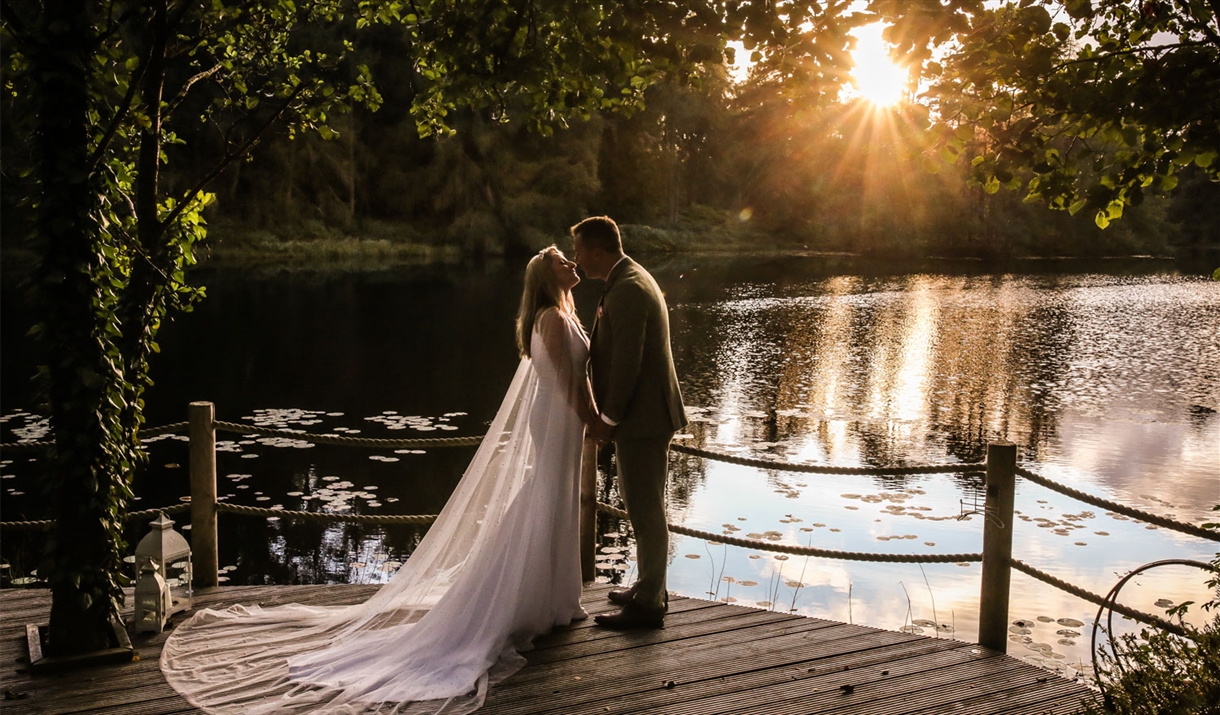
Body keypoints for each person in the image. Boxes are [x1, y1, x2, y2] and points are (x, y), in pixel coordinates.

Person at [160, 247, 601, 715]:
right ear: (545, 276)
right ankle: (525, 598)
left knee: (552, 500)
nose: (572, 264)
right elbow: (568, 380)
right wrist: (596, 420)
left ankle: (555, 599)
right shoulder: (550, 318)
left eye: (572, 260)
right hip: (557, 419)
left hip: (562, 421)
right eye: (561, 262)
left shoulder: (562, 312)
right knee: (545, 498)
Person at [570, 216, 688, 630]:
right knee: (643, 507)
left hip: (644, 419)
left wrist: (606, 420)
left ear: (598, 252)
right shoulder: (625, 279)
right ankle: (648, 586)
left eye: (580, 252)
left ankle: (650, 606)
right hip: (644, 417)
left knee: (646, 510)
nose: (577, 259)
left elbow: (627, 365)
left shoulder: (629, 289)